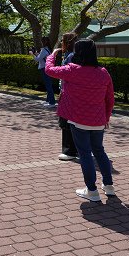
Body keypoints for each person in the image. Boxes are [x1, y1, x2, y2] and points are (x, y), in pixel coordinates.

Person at [45, 39, 116, 202]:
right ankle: (109, 186)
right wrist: (106, 117)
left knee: (85, 154)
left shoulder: (72, 70)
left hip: (78, 120)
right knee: (99, 151)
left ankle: (92, 191)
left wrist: (52, 55)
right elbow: (110, 99)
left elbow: (49, 70)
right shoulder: (103, 72)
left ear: (78, 53)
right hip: (98, 120)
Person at [56, 32, 79, 161]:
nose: (61, 43)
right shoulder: (76, 55)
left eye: (63, 41)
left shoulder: (70, 56)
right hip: (74, 93)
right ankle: (79, 149)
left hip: (68, 93)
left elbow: (63, 74)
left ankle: (69, 151)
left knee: (66, 121)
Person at [33, 37, 56, 106]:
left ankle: (52, 102)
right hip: (48, 68)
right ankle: (48, 100)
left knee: (48, 85)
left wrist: (32, 54)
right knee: (48, 84)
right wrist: (37, 54)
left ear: (43, 42)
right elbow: (41, 57)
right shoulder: (48, 49)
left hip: (44, 69)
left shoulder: (44, 50)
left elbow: (37, 59)